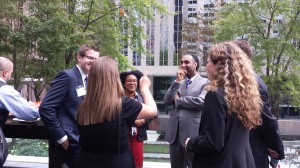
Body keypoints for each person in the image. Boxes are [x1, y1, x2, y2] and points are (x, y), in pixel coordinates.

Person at [185, 42, 262, 168]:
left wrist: (191, 143)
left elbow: (213, 142)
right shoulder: (245, 95)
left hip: (221, 162)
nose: (206, 66)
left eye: (208, 62)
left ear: (219, 65)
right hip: (243, 161)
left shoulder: (215, 95)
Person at [76, 56, 157, 168]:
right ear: (114, 78)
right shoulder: (123, 104)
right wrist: (144, 88)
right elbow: (153, 110)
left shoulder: (83, 106)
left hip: (86, 162)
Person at [39, 44, 100, 168]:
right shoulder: (67, 76)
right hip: (71, 141)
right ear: (79, 57)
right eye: (90, 58)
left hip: (83, 140)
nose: (93, 62)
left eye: (96, 59)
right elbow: (46, 108)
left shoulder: (90, 80)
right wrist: (62, 138)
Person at [233, 39, 285, 168]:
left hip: (252, 152)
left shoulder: (253, 84)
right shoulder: (236, 81)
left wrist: (276, 151)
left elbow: (266, 119)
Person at [163, 53, 208, 168]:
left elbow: (201, 102)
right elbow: (167, 100)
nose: (183, 65)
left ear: (195, 64)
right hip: (175, 134)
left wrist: (178, 101)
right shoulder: (179, 82)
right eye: (181, 62)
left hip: (192, 132)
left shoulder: (205, 82)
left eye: (187, 62)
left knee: (193, 164)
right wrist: (177, 82)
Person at [0, 57, 40, 167]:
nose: (10, 76)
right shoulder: (4, 90)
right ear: (5, 73)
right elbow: (31, 114)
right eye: (11, 73)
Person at [120, 70, 151, 168]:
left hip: (138, 137)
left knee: (138, 164)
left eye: (134, 81)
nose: (132, 83)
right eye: (129, 81)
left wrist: (144, 119)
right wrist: (133, 119)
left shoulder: (143, 97)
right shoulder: (118, 98)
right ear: (124, 83)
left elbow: (154, 112)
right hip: (122, 137)